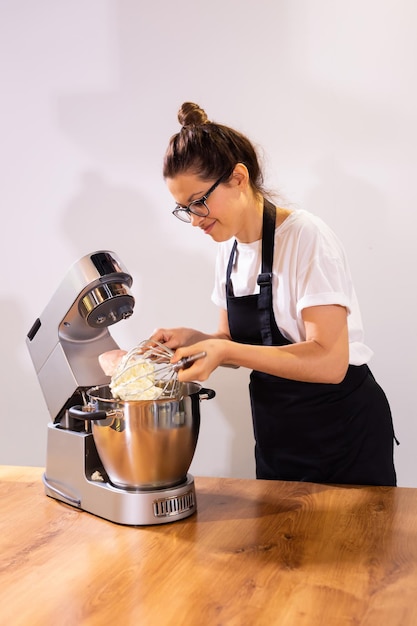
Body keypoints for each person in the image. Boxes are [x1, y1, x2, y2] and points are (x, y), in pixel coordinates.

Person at [150, 101, 397, 486]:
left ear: (238, 178)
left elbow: (330, 362)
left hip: (343, 434)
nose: (195, 220)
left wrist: (225, 351)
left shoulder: (305, 237)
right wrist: (193, 341)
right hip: (278, 437)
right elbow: (230, 341)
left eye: (199, 202)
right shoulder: (228, 250)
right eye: (184, 209)